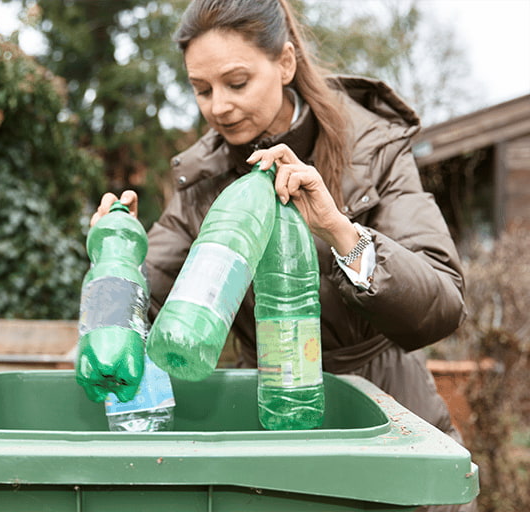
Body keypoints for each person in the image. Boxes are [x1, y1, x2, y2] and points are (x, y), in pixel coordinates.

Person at [93, 1, 474, 510]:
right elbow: (150, 313)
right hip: (274, 434)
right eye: (201, 90)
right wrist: (115, 256)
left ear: (285, 64)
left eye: (236, 82)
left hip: (388, 424)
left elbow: (441, 306)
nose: (218, 107)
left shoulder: (374, 150)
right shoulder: (202, 181)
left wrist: (340, 230)